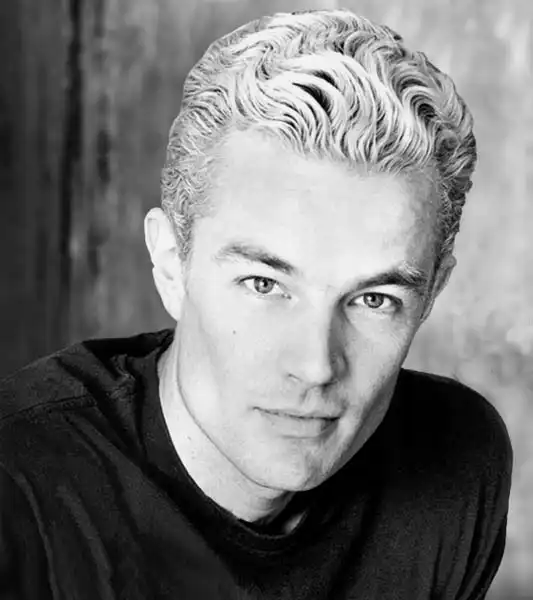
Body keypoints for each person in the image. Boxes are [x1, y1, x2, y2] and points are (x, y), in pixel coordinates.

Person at [0, 8, 512, 600]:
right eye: (264, 284)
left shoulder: (457, 466)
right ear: (171, 263)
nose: (315, 366)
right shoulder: (18, 497)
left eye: (374, 299)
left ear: (432, 293)